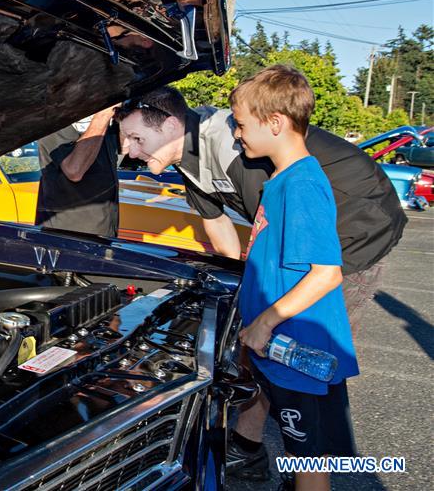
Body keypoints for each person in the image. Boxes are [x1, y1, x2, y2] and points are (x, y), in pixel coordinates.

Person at [116, 80, 406, 480]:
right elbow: (221, 231)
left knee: (291, 354)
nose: (128, 151)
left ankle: (300, 464)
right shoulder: (189, 159)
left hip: (355, 229)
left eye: (134, 138)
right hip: (311, 240)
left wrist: (264, 317)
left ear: (168, 125)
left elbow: (275, 240)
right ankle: (251, 447)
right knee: (261, 346)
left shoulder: (239, 148)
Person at [233, 65, 360, 491]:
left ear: (275, 122)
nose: (237, 133)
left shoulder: (301, 184)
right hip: (279, 348)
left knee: (309, 460)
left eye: (241, 124)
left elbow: (326, 274)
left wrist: (265, 323)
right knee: (304, 453)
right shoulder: (281, 180)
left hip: (297, 350)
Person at [35, 104, 120, 237]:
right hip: (67, 236)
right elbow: (74, 171)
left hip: (104, 231)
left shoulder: (101, 122)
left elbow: (126, 150)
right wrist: (103, 115)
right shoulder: (53, 119)